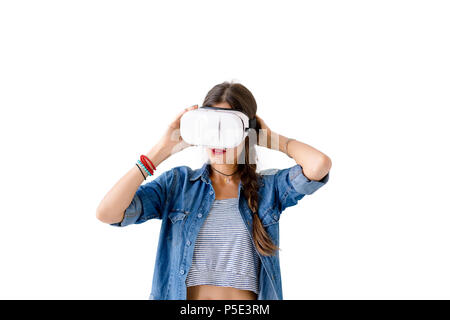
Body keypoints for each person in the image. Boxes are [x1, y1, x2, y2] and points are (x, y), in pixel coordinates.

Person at [96, 81, 332, 300]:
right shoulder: (178, 184)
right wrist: (161, 149)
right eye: (211, 126)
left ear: (247, 132)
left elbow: (318, 165)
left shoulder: (268, 189)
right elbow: (108, 213)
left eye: (228, 128)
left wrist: (271, 139)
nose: (218, 139)